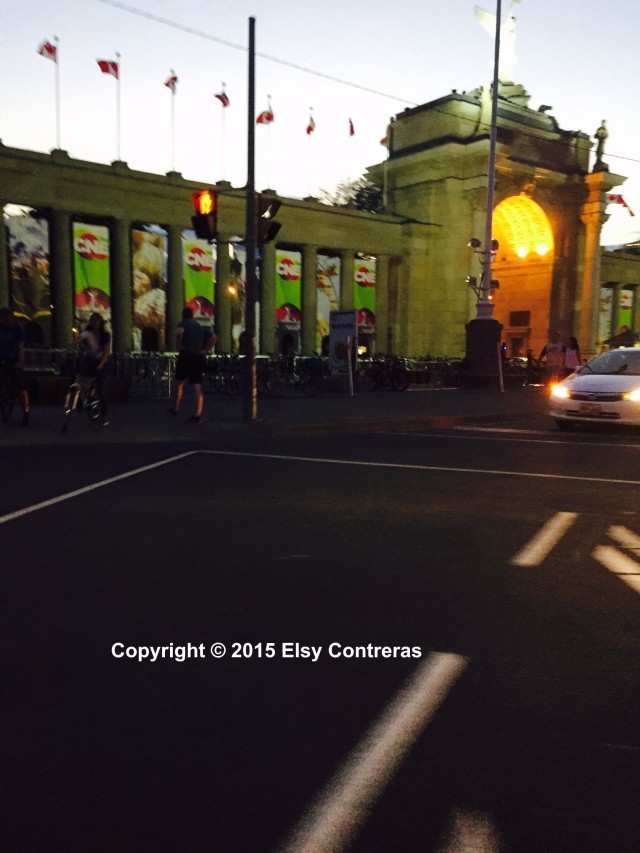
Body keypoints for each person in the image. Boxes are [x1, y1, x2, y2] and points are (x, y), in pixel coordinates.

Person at [169, 307, 215, 423]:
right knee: (197, 386)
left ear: (183, 315)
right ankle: (197, 413)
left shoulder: (183, 323)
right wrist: (206, 350)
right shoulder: (200, 327)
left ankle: (175, 407)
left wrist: (179, 346)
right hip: (198, 357)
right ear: (193, 315)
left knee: (178, 382)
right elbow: (214, 337)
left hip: (186, 355)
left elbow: (180, 333)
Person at [77, 312, 111, 425]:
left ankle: (104, 415)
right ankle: (82, 399)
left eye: (96, 321)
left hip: (101, 362)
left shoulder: (105, 335)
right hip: (90, 361)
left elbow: (106, 352)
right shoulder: (87, 333)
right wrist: (75, 345)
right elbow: (79, 339)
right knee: (80, 377)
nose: (94, 323)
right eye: (92, 321)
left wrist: (101, 365)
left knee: (101, 390)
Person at [0, 306, 30, 426]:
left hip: (13, 358)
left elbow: (20, 347)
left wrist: (20, 361)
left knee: (20, 386)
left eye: (7, 317)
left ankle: (26, 411)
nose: (5, 320)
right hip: (2, 357)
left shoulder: (18, 329)